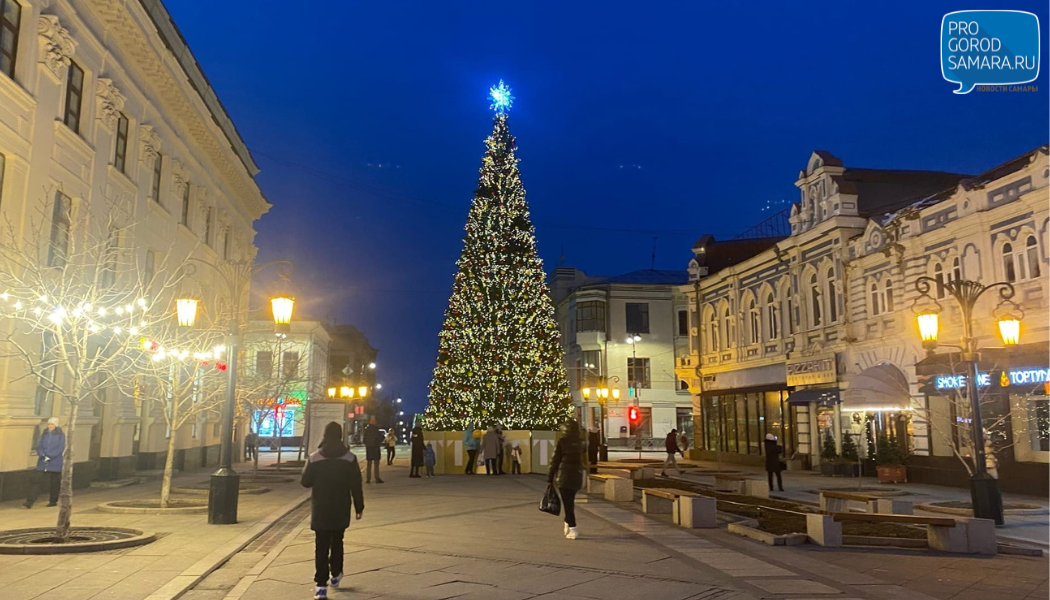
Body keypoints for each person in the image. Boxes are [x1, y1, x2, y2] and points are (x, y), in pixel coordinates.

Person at [301, 421, 364, 600]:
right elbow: (356, 485)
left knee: (320, 546)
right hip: (340, 508)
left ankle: (321, 586)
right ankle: (336, 574)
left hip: (321, 508)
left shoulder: (315, 458)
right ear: (340, 435)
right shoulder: (350, 458)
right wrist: (359, 507)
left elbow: (305, 482)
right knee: (337, 541)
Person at [548, 419, 584, 539]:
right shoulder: (581, 442)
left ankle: (573, 527)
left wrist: (550, 476)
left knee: (568, 503)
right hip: (577, 475)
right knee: (570, 501)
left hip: (564, 476)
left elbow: (555, 460)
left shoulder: (562, 442)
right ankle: (567, 523)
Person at [25, 417, 64, 508]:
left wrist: (50, 456)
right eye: (49, 424)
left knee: (54, 482)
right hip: (43, 462)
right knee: (36, 481)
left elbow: (60, 448)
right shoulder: (45, 433)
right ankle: (30, 501)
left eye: (52, 424)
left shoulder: (61, 435)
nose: (50, 426)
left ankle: (53, 501)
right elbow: (39, 446)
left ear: (56, 425)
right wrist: (42, 455)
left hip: (55, 462)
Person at [363, 418, 384, 484]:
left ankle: (368, 479)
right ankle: (377, 478)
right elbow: (380, 438)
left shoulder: (367, 430)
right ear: (375, 422)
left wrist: (368, 444)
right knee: (376, 464)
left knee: (369, 464)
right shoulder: (376, 430)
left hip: (369, 449)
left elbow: (364, 440)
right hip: (375, 449)